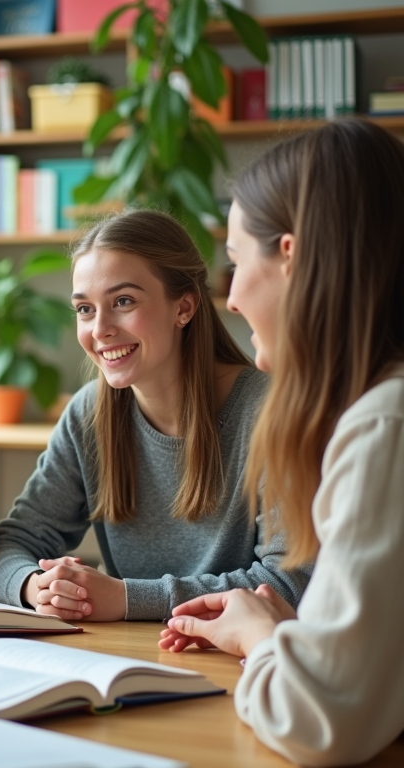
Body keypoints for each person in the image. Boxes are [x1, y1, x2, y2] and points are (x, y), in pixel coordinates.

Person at [160, 119, 404, 766]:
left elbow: (320, 725)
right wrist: (290, 636)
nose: (230, 298)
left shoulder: (385, 428)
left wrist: (261, 639)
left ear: (291, 256)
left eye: (237, 263)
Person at [0, 209, 310, 622]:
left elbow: (289, 583)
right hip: (132, 657)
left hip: (242, 661)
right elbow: (13, 541)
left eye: (123, 301)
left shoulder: (270, 411)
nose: (100, 328)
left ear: (184, 308)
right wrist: (36, 586)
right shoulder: (88, 413)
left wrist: (125, 599)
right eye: (85, 309)